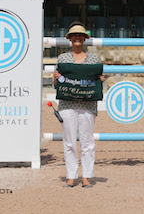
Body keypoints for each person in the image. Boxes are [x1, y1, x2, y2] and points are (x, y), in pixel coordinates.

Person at [53, 21, 105, 188]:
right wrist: (55, 79)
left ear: (84, 38)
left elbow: (97, 81)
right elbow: (58, 85)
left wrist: (100, 80)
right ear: (70, 38)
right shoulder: (62, 59)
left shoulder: (94, 59)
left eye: (80, 35)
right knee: (69, 141)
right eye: (74, 35)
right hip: (67, 105)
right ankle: (71, 176)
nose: (77, 38)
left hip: (88, 105)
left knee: (87, 142)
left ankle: (86, 177)